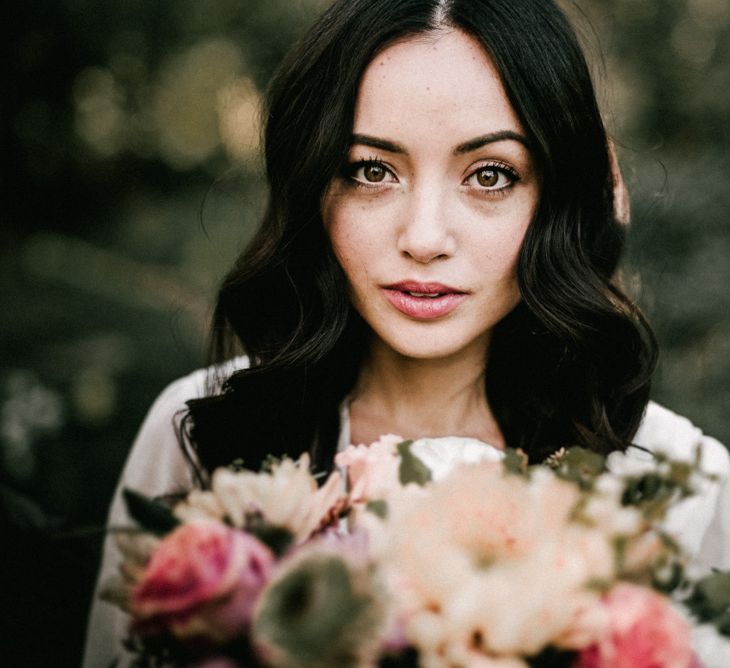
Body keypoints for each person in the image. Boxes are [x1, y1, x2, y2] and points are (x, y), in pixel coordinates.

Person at [83, 0, 730, 665]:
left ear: (556, 199)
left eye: (490, 176)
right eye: (372, 170)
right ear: (315, 185)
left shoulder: (682, 486)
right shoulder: (201, 432)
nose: (423, 239)